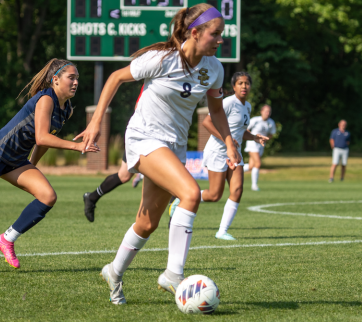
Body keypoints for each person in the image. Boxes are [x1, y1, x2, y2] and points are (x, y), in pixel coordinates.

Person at [74, 4, 240, 305]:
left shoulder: (214, 69)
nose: (220, 41)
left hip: (172, 147)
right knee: (190, 193)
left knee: (148, 222)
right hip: (144, 138)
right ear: (195, 32)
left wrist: (229, 143)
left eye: (221, 35)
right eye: (215, 34)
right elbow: (114, 78)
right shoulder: (162, 59)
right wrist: (96, 121)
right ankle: (174, 274)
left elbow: (216, 110)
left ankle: (113, 271)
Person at [0, 59, 98, 268]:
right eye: (71, 77)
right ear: (55, 80)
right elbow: (42, 137)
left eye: (77, 78)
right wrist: (77, 146)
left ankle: (6, 239)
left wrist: (32, 164)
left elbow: (43, 141)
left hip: (16, 160)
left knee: (47, 196)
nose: (76, 82)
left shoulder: (66, 109)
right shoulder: (46, 99)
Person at [169, 72, 267, 241]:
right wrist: (227, 141)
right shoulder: (228, 102)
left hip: (235, 155)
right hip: (217, 152)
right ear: (234, 87)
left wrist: (254, 137)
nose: (244, 86)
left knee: (237, 190)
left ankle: (222, 231)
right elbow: (207, 122)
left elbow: (240, 132)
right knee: (214, 195)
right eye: (240, 83)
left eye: (247, 83)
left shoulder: (247, 107)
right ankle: (181, 199)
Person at [83, 87, 146, 222]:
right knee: (127, 176)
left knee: (123, 176)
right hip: (143, 135)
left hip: (153, 135)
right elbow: (138, 106)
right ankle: (171, 216)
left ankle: (92, 197)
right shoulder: (157, 78)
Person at [243, 105, 276, 191]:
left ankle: (231, 172)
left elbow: (271, 134)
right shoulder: (255, 120)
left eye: (269, 112)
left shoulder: (271, 122)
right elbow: (245, 129)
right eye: (266, 111)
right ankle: (254, 186)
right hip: (252, 143)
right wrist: (253, 137)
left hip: (260, 145)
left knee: (251, 166)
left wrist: (265, 139)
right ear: (261, 111)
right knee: (258, 164)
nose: (267, 113)